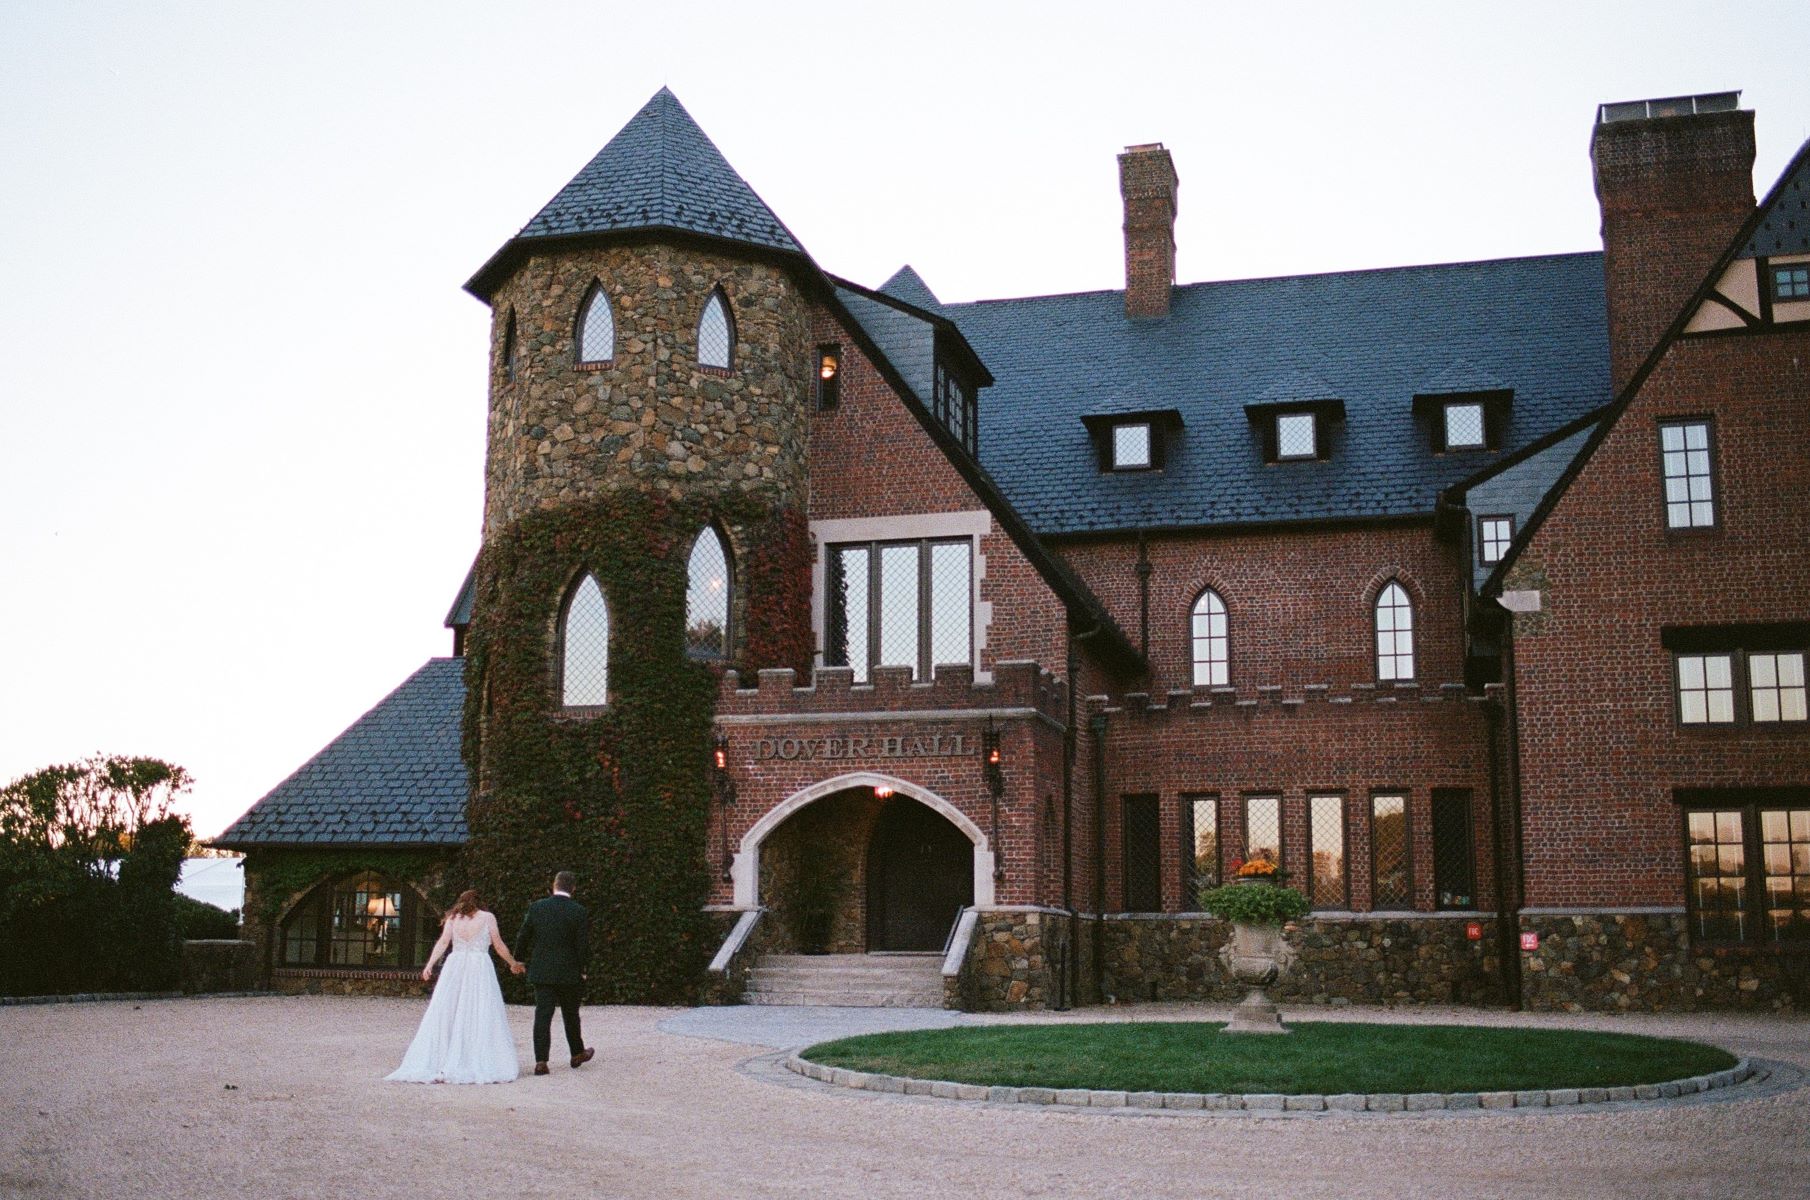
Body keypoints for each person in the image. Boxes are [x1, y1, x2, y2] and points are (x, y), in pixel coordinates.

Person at [386, 889, 526, 1084]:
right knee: (480, 1009)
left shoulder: (453, 919)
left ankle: (445, 1056)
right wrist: (512, 963)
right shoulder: (487, 917)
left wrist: (429, 965)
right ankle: (473, 1056)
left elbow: (443, 943)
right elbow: (498, 944)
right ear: (479, 903)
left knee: (448, 1009)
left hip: (456, 966)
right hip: (479, 967)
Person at [513, 869, 594, 1076]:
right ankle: (576, 1052)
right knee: (571, 1014)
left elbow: (523, 936)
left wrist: (518, 959)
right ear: (573, 888)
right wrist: (583, 969)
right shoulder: (579, 911)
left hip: (542, 970)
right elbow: (582, 945)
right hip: (569, 972)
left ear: (554, 885)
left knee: (543, 1015)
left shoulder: (537, 908)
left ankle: (541, 1061)